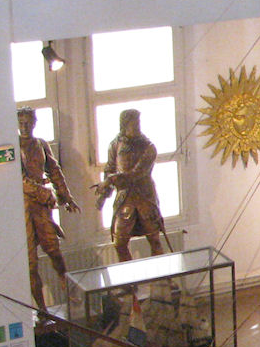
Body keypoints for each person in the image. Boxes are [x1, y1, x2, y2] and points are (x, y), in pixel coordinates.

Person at [18, 107, 80, 311]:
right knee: (30, 263)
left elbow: (54, 170)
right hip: (23, 208)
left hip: (41, 208)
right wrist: (43, 192)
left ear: (34, 123)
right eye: (21, 123)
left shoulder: (41, 144)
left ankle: (66, 285)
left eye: (28, 122)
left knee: (54, 250)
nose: (24, 127)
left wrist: (66, 196)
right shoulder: (13, 147)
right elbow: (19, 179)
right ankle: (42, 310)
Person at [94, 107, 164, 262]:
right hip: (125, 199)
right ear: (125, 125)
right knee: (119, 243)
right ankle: (128, 276)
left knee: (154, 240)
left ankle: (161, 274)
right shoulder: (115, 145)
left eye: (138, 123)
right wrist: (103, 195)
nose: (137, 126)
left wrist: (111, 180)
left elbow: (137, 173)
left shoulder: (148, 147)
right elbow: (109, 169)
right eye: (134, 123)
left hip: (145, 198)